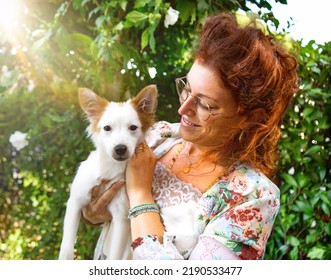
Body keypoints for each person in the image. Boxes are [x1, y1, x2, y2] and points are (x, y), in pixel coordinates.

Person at [81, 12, 298, 260]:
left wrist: (140, 194)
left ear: (251, 118)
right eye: (186, 88)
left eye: (205, 105)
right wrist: (94, 212)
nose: (182, 109)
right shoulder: (157, 136)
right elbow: (98, 205)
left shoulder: (253, 198)